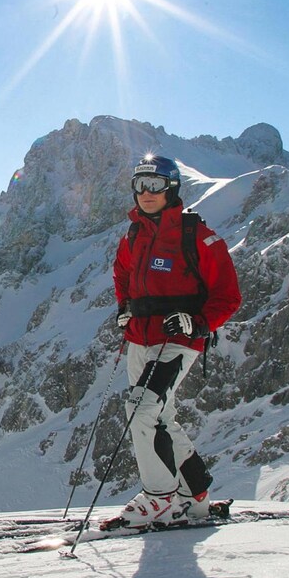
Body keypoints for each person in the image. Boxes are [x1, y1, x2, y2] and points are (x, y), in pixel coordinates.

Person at [109, 154, 241, 528]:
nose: (147, 192)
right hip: (139, 338)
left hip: (177, 340)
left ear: (172, 189)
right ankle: (196, 495)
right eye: (140, 185)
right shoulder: (133, 235)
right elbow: (121, 273)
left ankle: (159, 498)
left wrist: (197, 323)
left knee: (141, 410)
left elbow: (228, 295)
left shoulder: (196, 236)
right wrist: (125, 307)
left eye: (155, 184)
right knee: (160, 416)